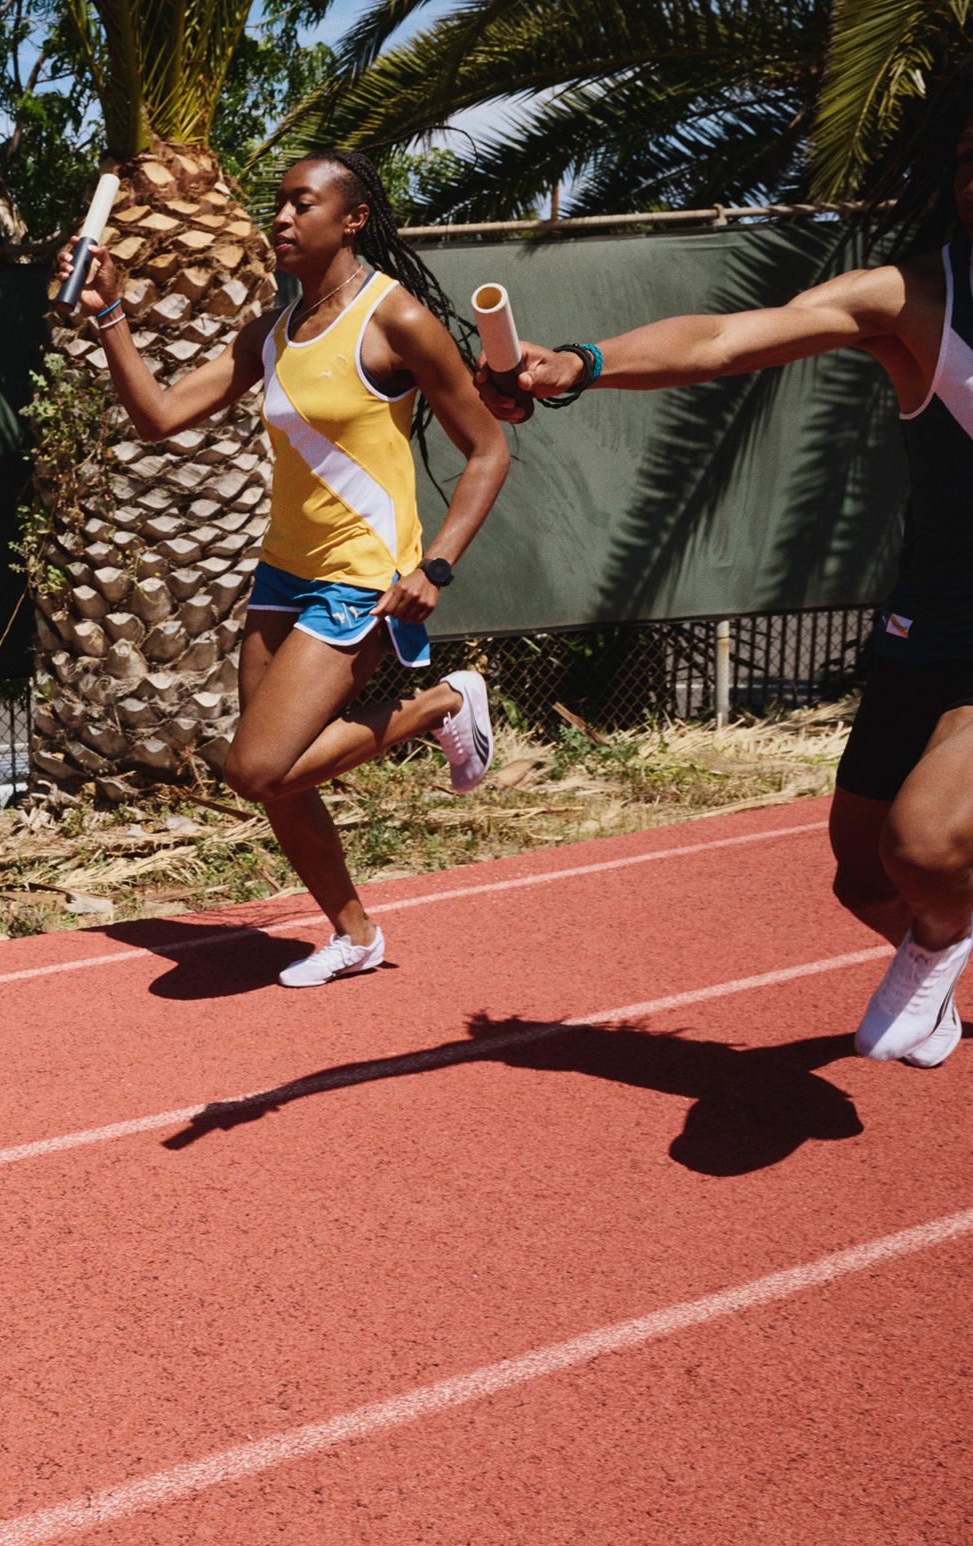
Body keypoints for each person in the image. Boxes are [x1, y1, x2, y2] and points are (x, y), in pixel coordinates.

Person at [488, 71, 973, 1069]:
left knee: (924, 849)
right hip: (930, 621)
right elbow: (721, 340)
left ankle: (938, 944)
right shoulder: (919, 297)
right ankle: (944, 931)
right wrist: (583, 360)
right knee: (860, 874)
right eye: (969, 165)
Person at [58, 149, 510, 988]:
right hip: (282, 574)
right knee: (276, 785)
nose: (281, 218)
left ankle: (445, 701)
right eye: (278, 204)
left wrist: (437, 565)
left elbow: (488, 447)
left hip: (365, 575)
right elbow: (158, 418)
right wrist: (110, 311)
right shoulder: (270, 331)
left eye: (303, 204)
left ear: (352, 220)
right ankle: (354, 934)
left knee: (256, 767)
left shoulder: (396, 319)